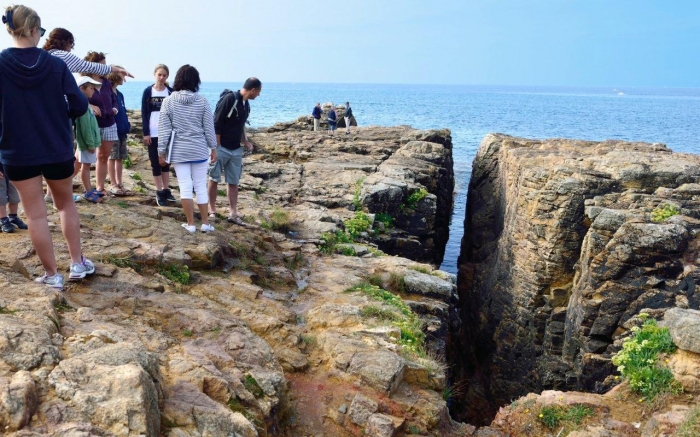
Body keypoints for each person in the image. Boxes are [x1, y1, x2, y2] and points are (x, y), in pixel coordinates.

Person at [0, 4, 95, 290]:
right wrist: (57, 112)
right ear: (32, 29)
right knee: (65, 205)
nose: (41, 36)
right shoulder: (56, 65)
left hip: (17, 152)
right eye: (40, 31)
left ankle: (52, 275)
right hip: (56, 147)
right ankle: (77, 263)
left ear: (9, 29)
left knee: (35, 213)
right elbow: (79, 105)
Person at [157, 65, 217, 233]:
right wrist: (213, 147)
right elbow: (208, 127)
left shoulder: (168, 101)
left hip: (179, 150)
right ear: (195, 81)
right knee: (200, 185)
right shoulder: (202, 101)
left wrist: (161, 151)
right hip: (199, 148)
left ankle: (190, 224)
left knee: (185, 186)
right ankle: (205, 223)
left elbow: (164, 129)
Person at [207, 77, 262, 225]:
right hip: (221, 147)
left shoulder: (246, 105)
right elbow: (216, 122)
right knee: (214, 179)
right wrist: (216, 147)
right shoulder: (230, 99)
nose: (258, 95)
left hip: (236, 149)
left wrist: (245, 141)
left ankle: (233, 212)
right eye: (258, 92)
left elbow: (241, 125)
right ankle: (212, 210)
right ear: (253, 90)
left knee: (233, 181)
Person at [82, 51, 117, 197]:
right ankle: (86, 188)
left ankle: (100, 187)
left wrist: (115, 108)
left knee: (104, 156)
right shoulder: (84, 81)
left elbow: (114, 98)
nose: (104, 68)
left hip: (109, 123)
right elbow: (75, 98)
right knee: (84, 159)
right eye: (101, 65)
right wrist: (88, 106)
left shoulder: (107, 82)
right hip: (91, 125)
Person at [142, 64, 175, 206]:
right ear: (154, 74)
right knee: (155, 162)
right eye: (159, 74)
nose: (161, 78)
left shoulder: (171, 92)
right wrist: (146, 133)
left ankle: (167, 189)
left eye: (164, 75)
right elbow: (144, 113)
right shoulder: (148, 91)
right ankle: (159, 191)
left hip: (167, 133)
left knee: (166, 163)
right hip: (153, 133)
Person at [73, 76, 103, 203]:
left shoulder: (85, 104)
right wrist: (91, 144)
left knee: (81, 165)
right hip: (86, 144)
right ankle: (88, 191)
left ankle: (88, 188)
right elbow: (85, 128)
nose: (94, 91)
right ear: (82, 88)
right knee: (85, 167)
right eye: (91, 88)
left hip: (87, 143)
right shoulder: (83, 106)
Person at [107, 66, 130, 196]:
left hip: (122, 130)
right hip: (112, 129)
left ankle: (119, 182)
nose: (124, 78)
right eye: (123, 75)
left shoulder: (119, 94)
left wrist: (127, 124)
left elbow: (123, 111)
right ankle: (113, 183)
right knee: (112, 157)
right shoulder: (108, 92)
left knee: (120, 157)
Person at [0, 168, 28, 233]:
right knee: (1, 195)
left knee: (14, 195)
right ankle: (3, 220)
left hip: (12, 167)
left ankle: (13, 216)